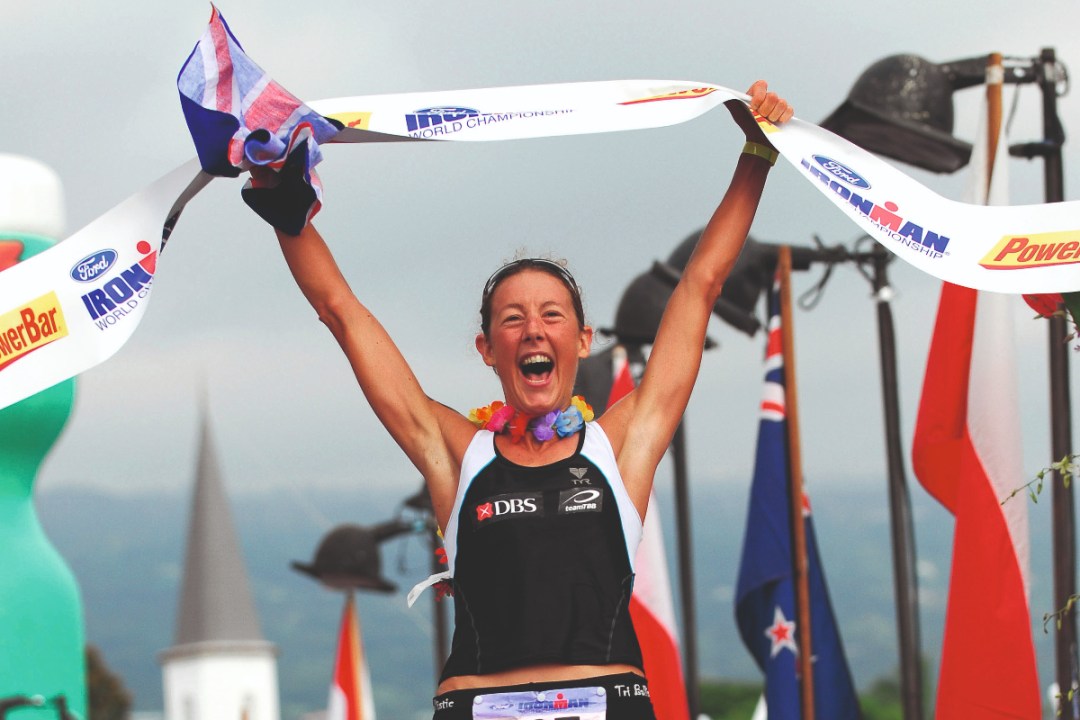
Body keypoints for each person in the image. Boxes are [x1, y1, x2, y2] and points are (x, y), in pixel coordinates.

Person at [263, 81, 792, 720]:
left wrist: (756, 158)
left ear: (582, 340)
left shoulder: (621, 444)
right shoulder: (456, 453)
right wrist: (280, 203)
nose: (534, 329)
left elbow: (701, 287)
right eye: (513, 319)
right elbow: (343, 315)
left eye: (551, 315)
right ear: (487, 348)